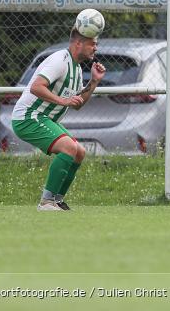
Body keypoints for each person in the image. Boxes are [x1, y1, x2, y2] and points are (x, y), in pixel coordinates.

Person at [10, 27, 107, 211]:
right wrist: (63, 100)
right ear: (78, 43)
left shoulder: (77, 69)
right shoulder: (59, 60)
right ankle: (46, 202)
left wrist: (94, 82)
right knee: (69, 147)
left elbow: (77, 104)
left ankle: (57, 201)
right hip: (28, 117)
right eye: (92, 44)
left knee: (79, 152)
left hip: (45, 119)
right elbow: (36, 87)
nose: (95, 48)